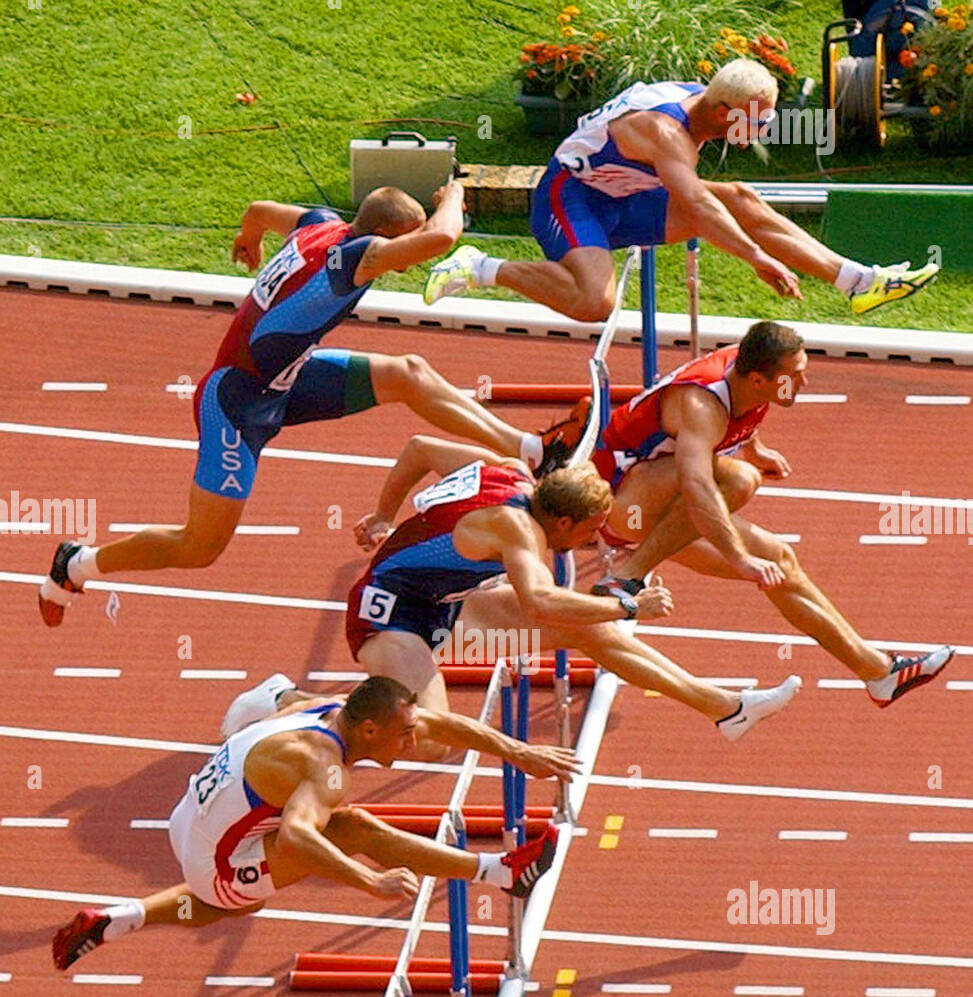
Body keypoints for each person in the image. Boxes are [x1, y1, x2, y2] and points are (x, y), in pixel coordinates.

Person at [38, 184, 545, 627]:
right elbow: (440, 239)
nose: (406, 262)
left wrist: (249, 237)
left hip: (288, 377)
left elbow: (258, 208)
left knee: (407, 373)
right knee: (200, 547)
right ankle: (78, 563)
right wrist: (454, 196)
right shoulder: (352, 256)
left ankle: (532, 449)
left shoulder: (319, 224)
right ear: (383, 239)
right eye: (402, 249)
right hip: (237, 402)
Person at [539, 320, 955, 705]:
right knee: (739, 482)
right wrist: (739, 557)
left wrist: (756, 449)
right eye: (796, 377)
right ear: (759, 378)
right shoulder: (700, 405)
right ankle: (625, 578)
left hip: (655, 505)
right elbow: (698, 486)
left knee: (780, 563)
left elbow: (743, 420)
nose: (805, 381)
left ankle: (879, 673)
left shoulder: (751, 371)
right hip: (616, 498)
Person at [52, 675, 578, 970]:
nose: (414, 744)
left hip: (187, 817)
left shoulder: (332, 706)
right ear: (370, 730)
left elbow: (438, 721)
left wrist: (517, 750)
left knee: (223, 901)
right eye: (403, 737)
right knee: (351, 830)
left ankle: (119, 918)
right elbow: (301, 837)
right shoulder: (325, 770)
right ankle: (501, 873)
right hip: (215, 860)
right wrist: (368, 879)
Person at [347, 439, 801, 746]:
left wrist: (383, 516)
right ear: (562, 521)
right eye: (590, 531)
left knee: (591, 634)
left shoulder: (510, 472)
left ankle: (727, 710)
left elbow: (420, 449)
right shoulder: (518, 531)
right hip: (389, 618)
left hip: (445, 608)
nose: (593, 539)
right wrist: (625, 604)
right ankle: (291, 703)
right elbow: (539, 600)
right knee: (424, 743)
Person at [423, 59, 939, 321]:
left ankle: (859, 282)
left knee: (740, 197)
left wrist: (753, 244)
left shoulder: (705, 105)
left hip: (627, 196)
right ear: (722, 112)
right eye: (756, 122)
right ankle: (480, 266)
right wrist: (757, 258)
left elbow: (708, 202)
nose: (762, 132)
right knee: (595, 303)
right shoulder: (666, 134)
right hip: (572, 198)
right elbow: (693, 204)